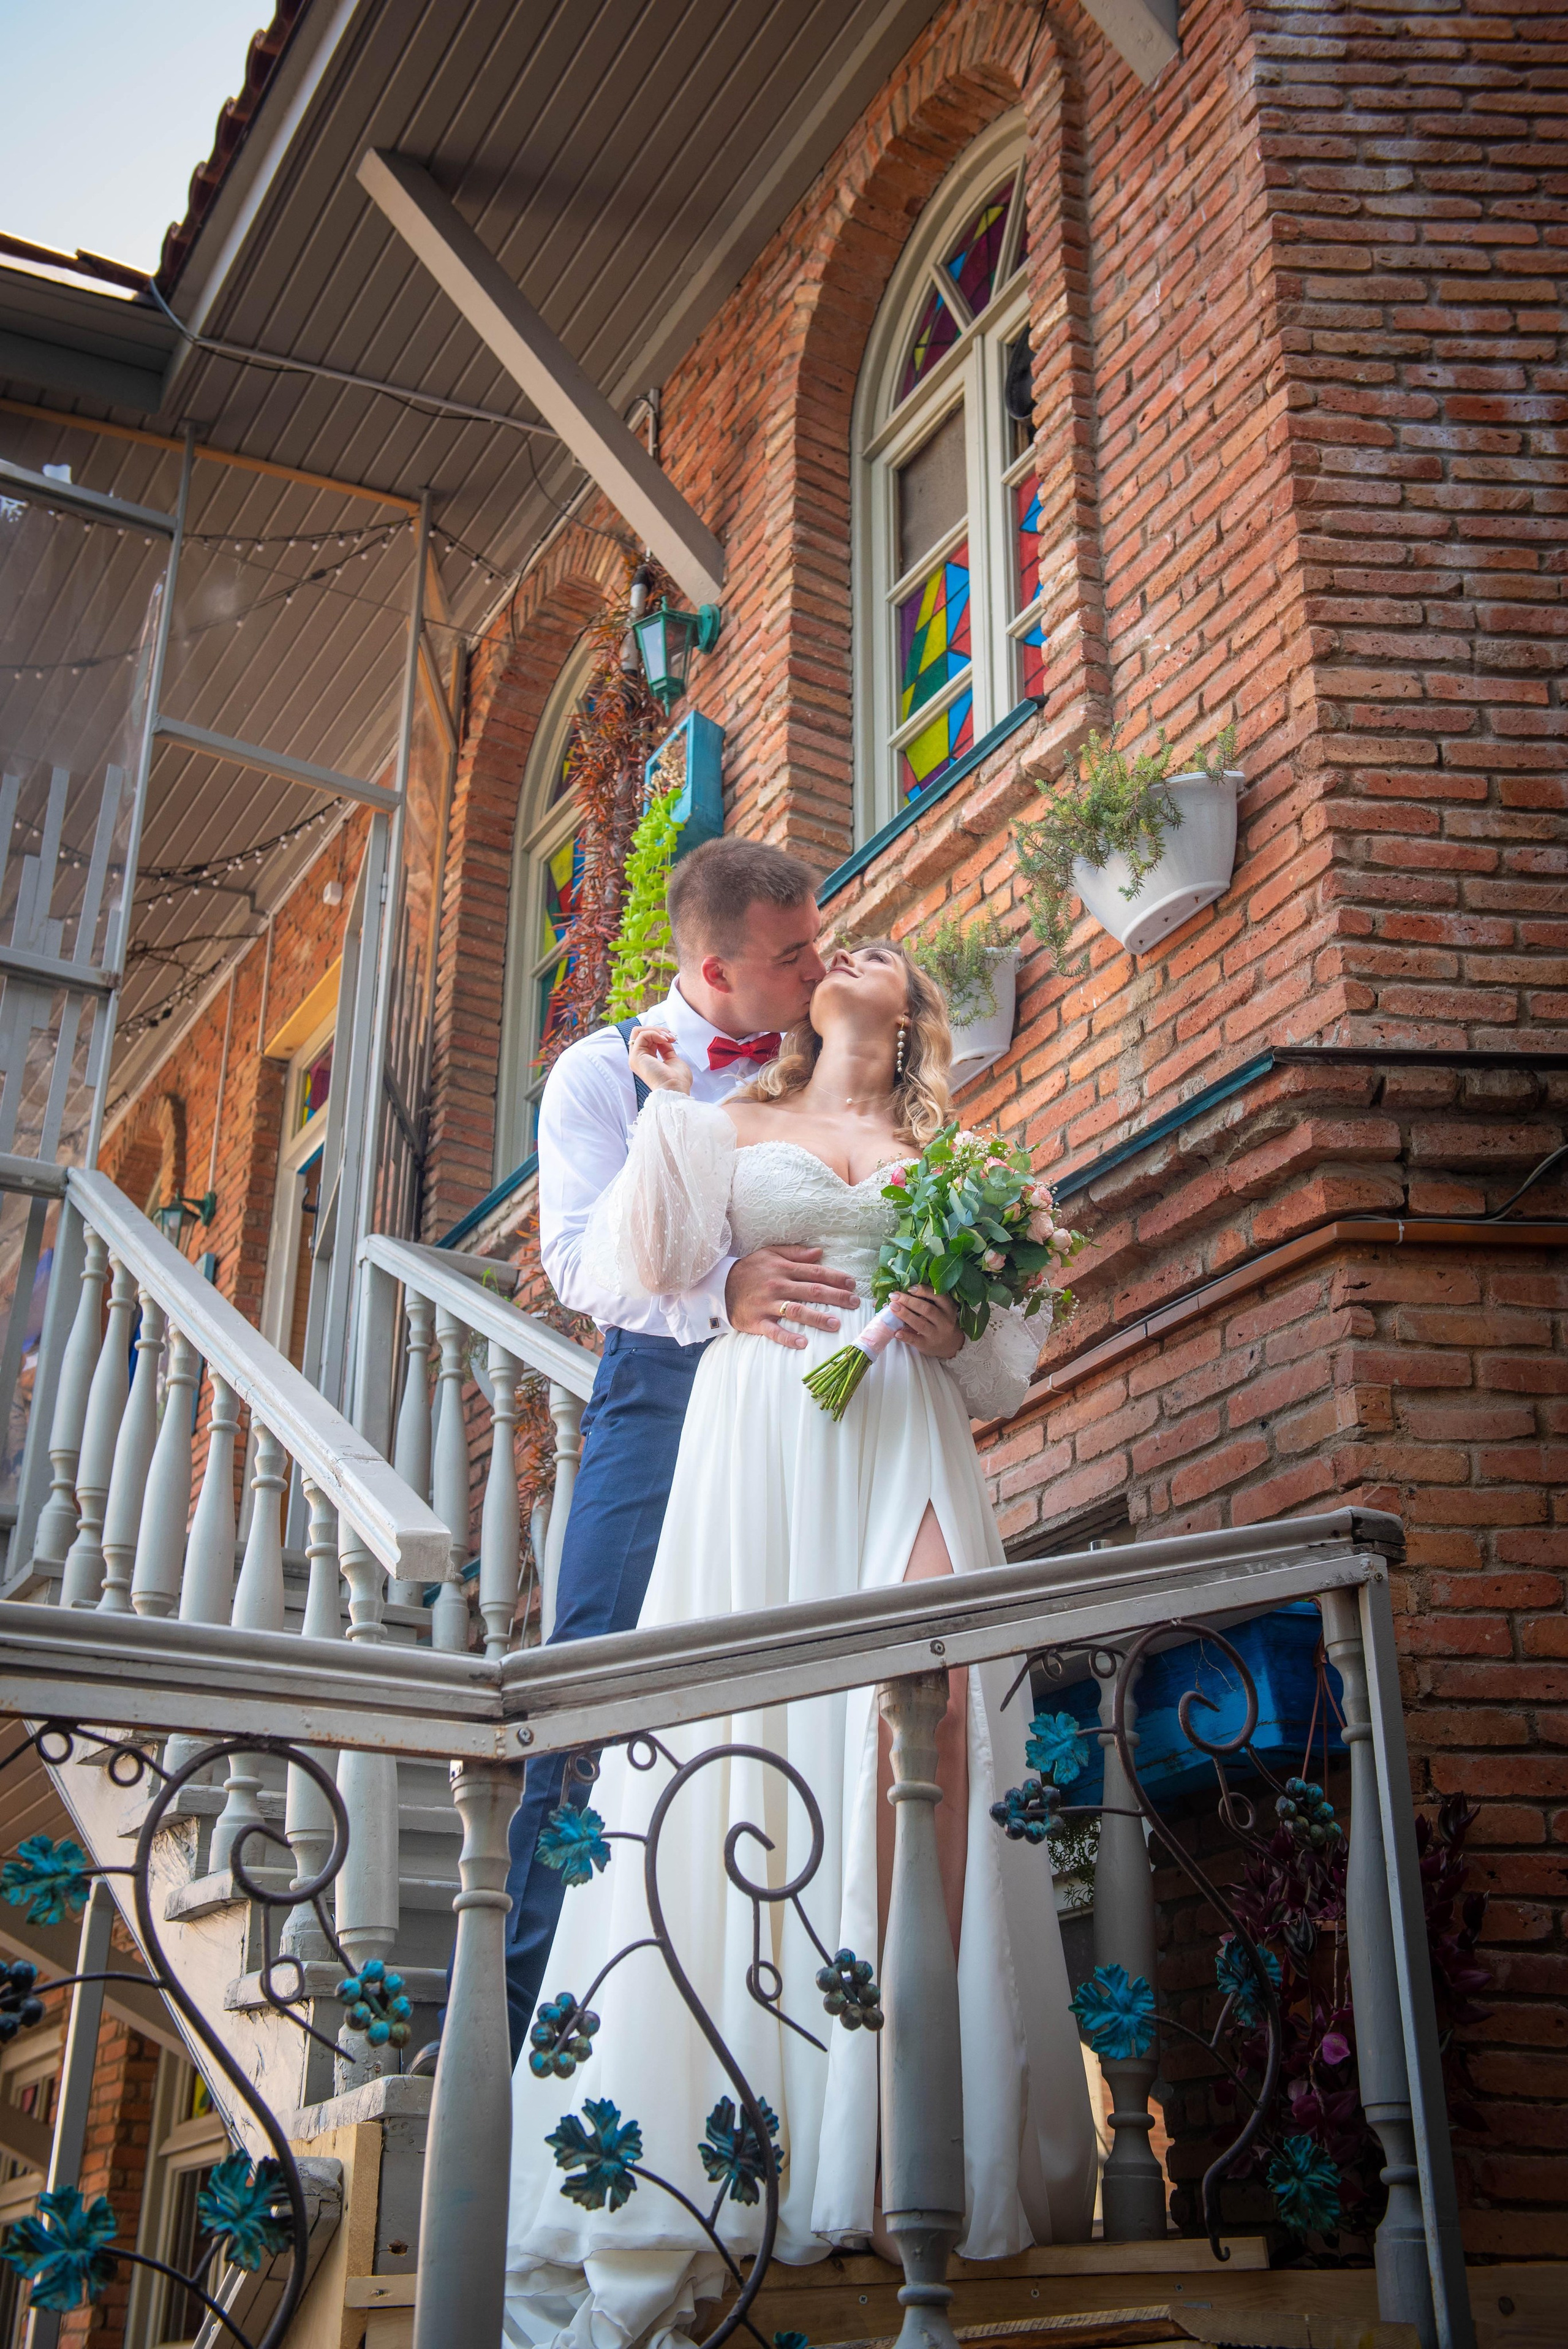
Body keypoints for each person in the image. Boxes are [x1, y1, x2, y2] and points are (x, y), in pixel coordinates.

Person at [503, 939, 1098, 2349]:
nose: (857, 949)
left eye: (887, 949)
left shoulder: (962, 1163)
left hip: (902, 1436)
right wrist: (657, 1108)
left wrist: (955, 1333)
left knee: (938, 1709)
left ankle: (902, 2146)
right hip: (758, 1439)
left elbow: (1009, 1373)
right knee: (751, 1750)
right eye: (843, 942)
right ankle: (749, 2134)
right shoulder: (722, 1122)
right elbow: (634, 1268)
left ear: (913, 1013)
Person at [504, 839, 862, 2061]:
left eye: (816, 938)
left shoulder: (829, 1049)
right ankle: (523, 2037)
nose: (816, 965)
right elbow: (574, 1267)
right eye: (789, 954)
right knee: (590, 1677)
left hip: (818, 1389)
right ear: (712, 970)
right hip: (662, 1387)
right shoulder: (600, 1077)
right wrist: (720, 1295)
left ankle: (796, 2036)